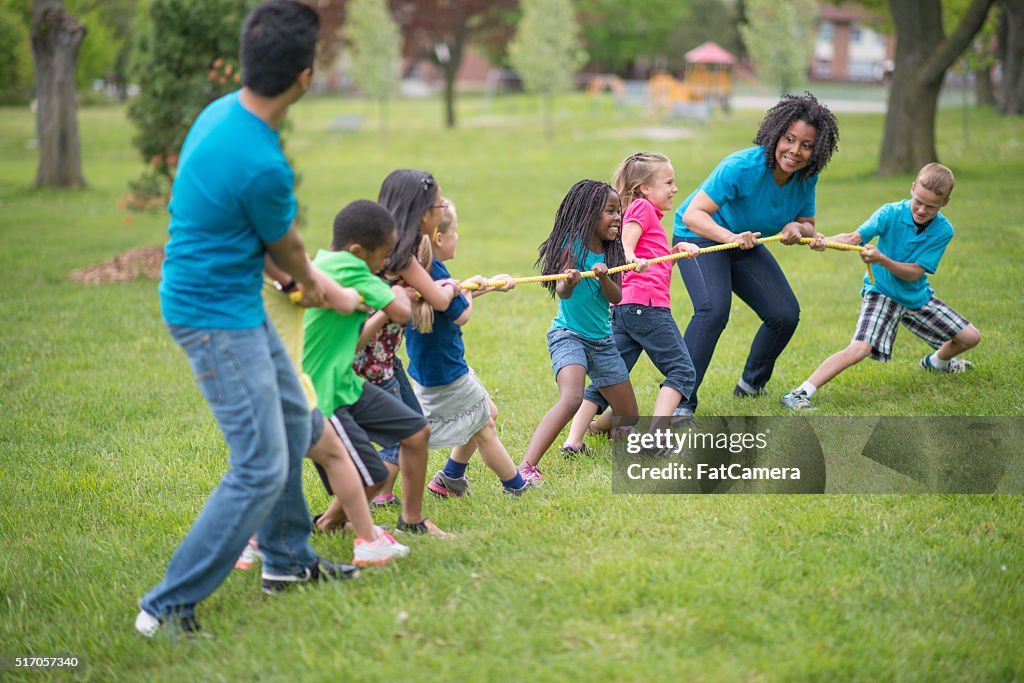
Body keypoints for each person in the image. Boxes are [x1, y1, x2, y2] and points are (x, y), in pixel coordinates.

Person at [136, 1, 355, 640]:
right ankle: (167, 606)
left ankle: (287, 561)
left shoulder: (220, 115)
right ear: (305, 77)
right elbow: (286, 249)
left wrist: (291, 278)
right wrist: (322, 288)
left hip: (227, 298)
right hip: (213, 315)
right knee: (261, 462)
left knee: (293, 422)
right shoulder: (264, 163)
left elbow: (248, 232)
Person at [232, 258, 409, 568]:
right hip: (285, 386)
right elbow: (341, 300)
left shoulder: (257, 273)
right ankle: (366, 542)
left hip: (273, 382)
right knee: (288, 466)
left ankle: (258, 542)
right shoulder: (290, 272)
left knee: (289, 465)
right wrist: (358, 297)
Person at [672, 93, 839, 415]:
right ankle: (681, 402)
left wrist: (798, 229)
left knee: (784, 314)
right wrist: (731, 237)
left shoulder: (806, 177)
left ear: (816, 150)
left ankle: (751, 385)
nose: (795, 151)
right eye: (789, 139)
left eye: (806, 145)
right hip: (702, 236)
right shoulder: (741, 166)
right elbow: (694, 215)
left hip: (745, 240)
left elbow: (807, 222)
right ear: (775, 135)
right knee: (713, 310)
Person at [781, 163, 980, 410]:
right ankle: (800, 393)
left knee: (970, 337)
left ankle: (935, 363)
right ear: (912, 188)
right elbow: (854, 238)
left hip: (915, 296)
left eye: (931, 206)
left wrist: (882, 259)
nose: (921, 209)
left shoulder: (944, 230)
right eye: (918, 201)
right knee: (860, 348)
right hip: (882, 292)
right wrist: (825, 242)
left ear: (945, 203)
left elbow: (914, 273)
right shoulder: (890, 213)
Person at [303, 199, 449, 537]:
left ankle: (411, 521)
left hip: (344, 382)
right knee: (373, 475)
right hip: (321, 392)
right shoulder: (351, 270)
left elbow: (354, 338)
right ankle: (330, 525)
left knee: (416, 432)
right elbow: (400, 312)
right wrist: (396, 291)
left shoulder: (325, 261)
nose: (384, 263)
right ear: (357, 250)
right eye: (382, 257)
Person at [564, 152, 700, 451]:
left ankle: (575, 440)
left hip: (625, 309)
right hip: (647, 309)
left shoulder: (647, 213)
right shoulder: (641, 208)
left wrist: (677, 249)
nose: (674, 189)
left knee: (609, 377)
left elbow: (655, 263)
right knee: (682, 370)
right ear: (644, 188)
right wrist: (629, 255)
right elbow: (627, 243)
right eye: (668, 182)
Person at [403, 199, 528, 496]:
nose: (458, 236)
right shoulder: (435, 272)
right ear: (439, 238)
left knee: (488, 412)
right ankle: (517, 487)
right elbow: (460, 313)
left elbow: (451, 303)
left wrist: (488, 286)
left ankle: (450, 477)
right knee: (485, 428)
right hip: (447, 373)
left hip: (431, 371)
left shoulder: (418, 270)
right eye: (455, 231)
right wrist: (472, 290)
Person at [520, 180, 640, 484]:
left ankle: (600, 434)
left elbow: (616, 298)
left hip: (602, 343)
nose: (617, 218)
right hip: (568, 336)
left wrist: (603, 277)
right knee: (572, 397)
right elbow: (562, 291)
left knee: (630, 417)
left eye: (619, 211)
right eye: (610, 211)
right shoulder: (570, 246)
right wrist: (570, 280)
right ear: (588, 215)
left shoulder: (613, 252)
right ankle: (526, 468)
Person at [352, 170, 459, 510]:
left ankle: (409, 518)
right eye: (439, 204)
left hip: (381, 357)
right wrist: (455, 287)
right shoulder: (403, 254)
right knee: (407, 437)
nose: (442, 210)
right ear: (422, 211)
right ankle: (346, 513)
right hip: (370, 361)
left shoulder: (386, 247)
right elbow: (440, 302)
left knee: (416, 432)